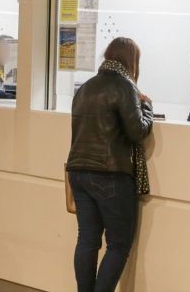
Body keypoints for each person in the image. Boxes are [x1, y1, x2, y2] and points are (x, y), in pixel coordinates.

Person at [66, 37, 153, 292]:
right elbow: (137, 131)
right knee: (118, 245)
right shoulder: (124, 86)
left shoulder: (85, 87)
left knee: (88, 240)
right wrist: (146, 106)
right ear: (131, 61)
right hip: (110, 174)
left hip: (78, 172)